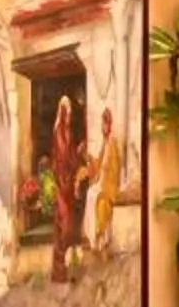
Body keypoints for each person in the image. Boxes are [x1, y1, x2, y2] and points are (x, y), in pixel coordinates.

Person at [47, 96, 83, 283]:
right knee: (63, 224)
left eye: (70, 113)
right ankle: (59, 272)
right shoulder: (59, 132)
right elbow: (62, 159)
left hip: (67, 184)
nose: (69, 116)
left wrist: (77, 153)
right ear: (62, 112)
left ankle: (64, 270)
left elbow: (71, 157)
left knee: (66, 226)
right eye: (67, 112)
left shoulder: (67, 131)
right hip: (61, 183)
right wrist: (75, 156)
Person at [91, 106, 125, 257]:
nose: (102, 127)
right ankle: (95, 238)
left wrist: (106, 181)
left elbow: (116, 168)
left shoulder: (112, 143)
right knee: (90, 195)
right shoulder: (104, 143)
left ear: (109, 125)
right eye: (101, 124)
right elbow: (99, 164)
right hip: (102, 183)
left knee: (101, 202)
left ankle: (102, 239)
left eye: (104, 124)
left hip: (110, 186)